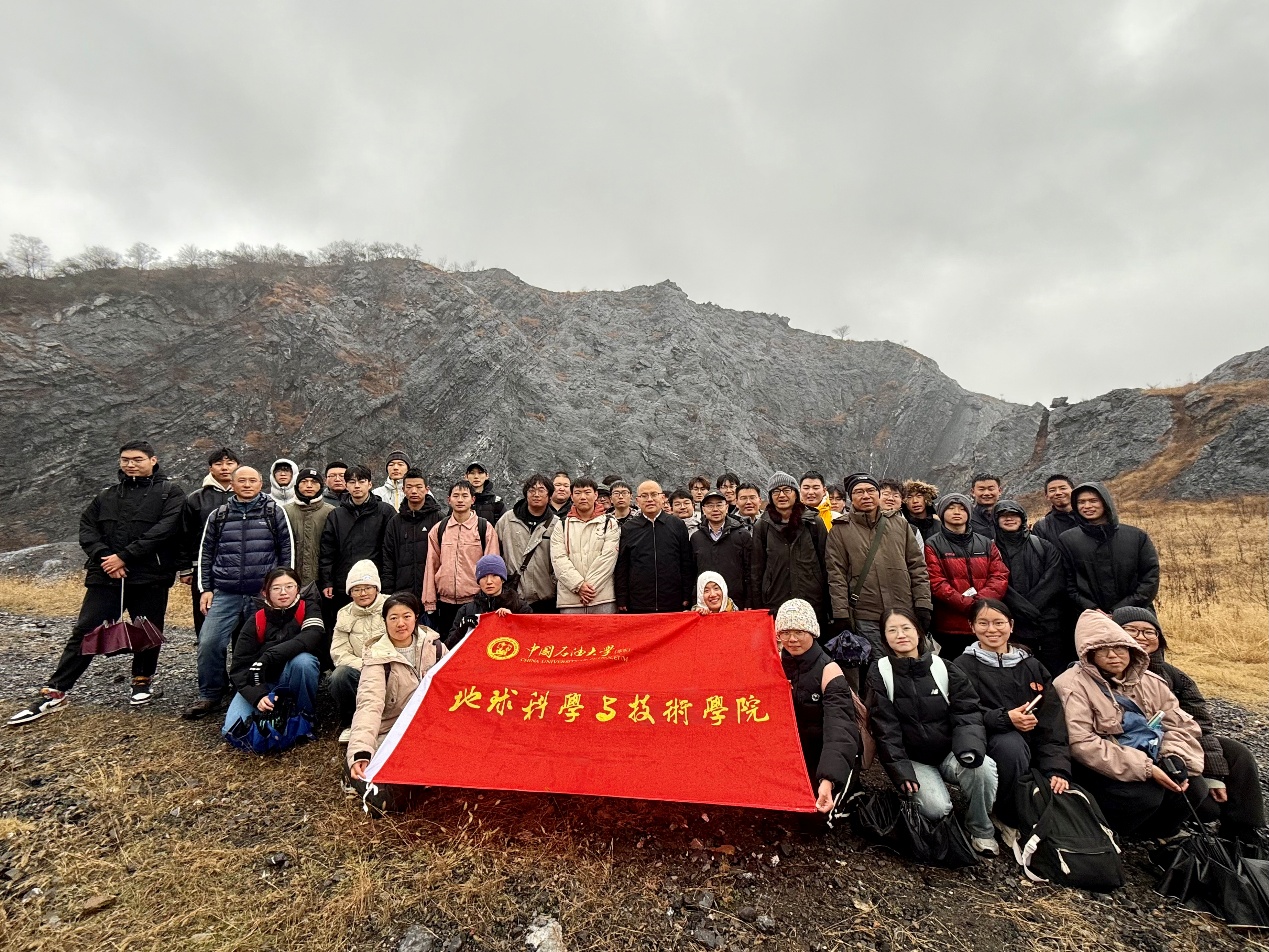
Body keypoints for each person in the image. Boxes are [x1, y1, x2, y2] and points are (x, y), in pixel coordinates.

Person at [7, 441, 185, 726]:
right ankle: (56, 690)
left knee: (147, 629)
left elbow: (165, 530)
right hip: (106, 575)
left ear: (153, 460)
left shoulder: (169, 493)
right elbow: (87, 529)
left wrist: (125, 557)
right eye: (125, 459)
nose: (130, 464)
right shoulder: (107, 495)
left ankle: (142, 680)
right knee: (86, 630)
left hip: (150, 574)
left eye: (137, 459)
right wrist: (106, 558)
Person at [1114, 607, 1266, 844]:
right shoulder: (1105, 670)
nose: (1141, 637)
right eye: (1131, 630)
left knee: (1237, 753)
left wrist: (1214, 775)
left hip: (1179, 741)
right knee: (1206, 806)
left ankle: (1246, 833)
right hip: (1138, 750)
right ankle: (1159, 831)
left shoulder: (1175, 677)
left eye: (1149, 632)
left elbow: (1200, 725)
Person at [1052, 611, 1203, 839]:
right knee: (1142, 795)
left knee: (1194, 788)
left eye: (1120, 649)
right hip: (1099, 764)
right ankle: (1110, 834)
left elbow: (1181, 725)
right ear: (1089, 653)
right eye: (1103, 650)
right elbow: (1081, 742)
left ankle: (1154, 835)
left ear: (1132, 650)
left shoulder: (1152, 681)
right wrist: (1147, 768)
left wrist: (1174, 757)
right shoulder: (1070, 685)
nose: (1113, 656)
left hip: (1154, 751)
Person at [865, 607, 1000, 855]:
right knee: (937, 808)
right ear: (884, 638)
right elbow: (884, 728)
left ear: (918, 632)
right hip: (913, 760)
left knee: (983, 769)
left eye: (906, 628)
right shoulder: (880, 672)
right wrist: (901, 771)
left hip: (949, 753)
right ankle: (940, 812)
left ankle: (981, 829)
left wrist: (968, 749)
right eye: (892, 630)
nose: (900, 635)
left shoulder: (943, 668)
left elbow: (967, 712)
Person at [952, 599, 1071, 832]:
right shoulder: (962, 665)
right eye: (983, 623)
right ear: (971, 626)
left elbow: (1052, 722)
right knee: (1011, 746)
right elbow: (963, 712)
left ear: (1011, 625)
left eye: (999, 623)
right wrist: (1006, 719)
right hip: (988, 740)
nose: (992, 630)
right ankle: (1006, 815)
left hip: (1033, 744)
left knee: (1058, 782)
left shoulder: (1032, 666)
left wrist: (1056, 769)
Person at [186, 465, 294, 720]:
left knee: (256, 645)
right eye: (242, 480)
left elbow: (287, 551)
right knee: (210, 642)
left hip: (261, 594)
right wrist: (205, 589)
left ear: (261, 484)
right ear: (232, 484)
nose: (247, 485)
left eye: (252, 480)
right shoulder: (219, 515)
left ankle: (250, 689)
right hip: (226, 592)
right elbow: (206, 553)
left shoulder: (273, 512)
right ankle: (211, 693)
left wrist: (281, 588)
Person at [345, 593, 445, 811]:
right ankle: (354, 771)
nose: (401, 623)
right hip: (392, 731)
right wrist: (361, 750)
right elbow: (369, 705)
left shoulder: (435, 646)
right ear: (384, 621)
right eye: (393, 618)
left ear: (416, 617)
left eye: (406, 616)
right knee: (392, 801)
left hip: (428, 727)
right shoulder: (377, 658)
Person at [826, 475, 932, 656]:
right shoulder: (840, 530)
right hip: (866, 614)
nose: (866, 496)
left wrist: (923, 603)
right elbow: (836, 575)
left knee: (911, 660)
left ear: (878, 494)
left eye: (871, 490)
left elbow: (917, 567)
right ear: (851, 497)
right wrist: (841, 613)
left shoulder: (899, 524)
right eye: (859, 492)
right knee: (878, 665)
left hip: (903, 609)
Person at [776, 599, 862, 813]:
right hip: (787, 755)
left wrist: (828, 779)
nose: (792, 639)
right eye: (785, 632)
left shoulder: (829, 670)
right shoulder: (773, 664)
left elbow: (840, 729)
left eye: (799, 632)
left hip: (821, 755)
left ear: (813, 632)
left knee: (816, 816)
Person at [221, 567, 324, 743]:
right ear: (265, 592)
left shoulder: (309, 608)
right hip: (262, 681)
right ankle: (275, 709)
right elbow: (239, 668)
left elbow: (311, 637)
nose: (283, 592)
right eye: (276, 588)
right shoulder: (256, 619)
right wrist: (258, 696)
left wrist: (268, 656)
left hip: (292, 676)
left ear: (298, 588)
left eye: (289, 586)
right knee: (232, 730)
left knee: (304, 661)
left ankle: (305, 716)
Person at [925, 493, 1009, 657]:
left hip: (986, 622)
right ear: (941, 513)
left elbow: (999, 575)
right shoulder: (932, 544)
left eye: (962, 509)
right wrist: (966, 603)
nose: (957, 512)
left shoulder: (985, 543)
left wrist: (981, 602)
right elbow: (936, 581)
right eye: (951, 508)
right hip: (950, 625)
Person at [1060, 481, 1160, 614]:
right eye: (1081, 502)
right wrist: (1092, 608)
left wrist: (1120, 609)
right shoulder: (1068, 540)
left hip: (1135, 614)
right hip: (1090, 616)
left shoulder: (1136, 536)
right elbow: (1068, 583)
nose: (1087, 506)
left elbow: (1150, 578)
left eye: (1093, 501)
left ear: (1105, 502)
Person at [992, 500, 1068, 674]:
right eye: (1004, 516)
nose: (1009, 519)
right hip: (1013, 625)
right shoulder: (991, 549)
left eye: (1014, 515)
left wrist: (1032, 607)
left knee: (1053, 672)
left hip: (1048, 624)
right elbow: (995, 581)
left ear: (1022, 518)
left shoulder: (1043, 546)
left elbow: (1054, 578)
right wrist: (1020, 608)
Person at [318, 465, 396, 626]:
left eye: (361, 481)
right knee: (346, 626)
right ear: (346, 485)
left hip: (376, 581)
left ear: (370, 484)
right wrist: (327, 581)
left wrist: (388, 581)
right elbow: (327, 551)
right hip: (344, 583)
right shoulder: (336, 515)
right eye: (352, 482)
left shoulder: (385, 512)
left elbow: (391, 550)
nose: (357, 486)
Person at [423, 480, 501, 636]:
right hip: (445, 603)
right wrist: (430, 602)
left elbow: (492, 568)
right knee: (448, 645)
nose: (460, 500)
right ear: (449, 500)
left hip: (475, 602)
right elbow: (431, 566)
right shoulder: (439, 529)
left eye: (465, 496)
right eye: (456, 496)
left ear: (473, 500)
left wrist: (490, 600)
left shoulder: (484, 528)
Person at [177, 447, 238, 639]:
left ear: (238, 466)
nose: (224, 468)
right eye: (219, 464)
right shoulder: (196, 498)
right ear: (211, 468)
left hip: (241, 565)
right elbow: (184, 533)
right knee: (205, 613)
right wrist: (185, 568)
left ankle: (240, 657)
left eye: (229, 463)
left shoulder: (248, 495)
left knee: (242, 618)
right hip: (204, 566)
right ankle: (208, 652)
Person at [751, 472, 828, 622]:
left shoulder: (813, 522)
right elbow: (757, 569)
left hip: (811, 600)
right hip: (775, 600)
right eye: (776, 491)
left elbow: (826, 564)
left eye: (787, 490)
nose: (782, 495)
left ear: (796, 494)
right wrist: (758, 606)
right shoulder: (762, 526)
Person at [328, 560, 388, 742]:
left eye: (368, 588)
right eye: (356, 589)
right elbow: (338, 651)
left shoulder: (391, 605)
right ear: (350, 592)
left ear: (376, 588)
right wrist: (364, 666)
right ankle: (352, 723)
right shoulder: (344, 613)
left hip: (389, 667)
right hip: (359, 668)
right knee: (339, 676)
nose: (363, 593)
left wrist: (379, 665)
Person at [615, 480, 695, 613]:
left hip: (673, 599)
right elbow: (623, 565)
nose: (650, 499)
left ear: (662, 498)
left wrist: (687, 594)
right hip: (639, 601)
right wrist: (622, 597)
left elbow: (686, 562)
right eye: (644, 496)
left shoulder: (677, 525)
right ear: (637, 501)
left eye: (654, 494)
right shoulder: (629, 528)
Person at [550, 477, 621, 614]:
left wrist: (589, 589)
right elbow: (558, 559)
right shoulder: (562, 525)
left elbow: (608, 558)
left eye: (587, 492)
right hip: (571, 599)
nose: (583, 497)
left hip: (602, 598)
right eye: (578, 493)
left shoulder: (609, 523)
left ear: (595, 495)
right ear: (571, 496)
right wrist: (578, 585)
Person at [495, 474, 559, 613]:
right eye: (531, 490)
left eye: (541, 490)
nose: (536, 494)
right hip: (513, 596)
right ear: (525, 494)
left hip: (545, 597)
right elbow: (495, 553)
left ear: (549, 495)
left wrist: (553, 582)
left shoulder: (556, 524)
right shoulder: (507, 520)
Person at [445, 554, 533, 647]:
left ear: (503, 579)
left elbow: (533, 640)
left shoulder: (521, 607)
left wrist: (513, 621)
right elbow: (448, 647)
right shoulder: (466, 610)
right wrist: (462, 629)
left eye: (494, 575)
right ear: (478, 581)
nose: (489, 581)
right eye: (483, 576)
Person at [380, 469, 444, 596]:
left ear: (427, 489)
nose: (414, 491)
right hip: (402, 592)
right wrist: (387, 593)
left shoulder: (439, 519)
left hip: (433, 590)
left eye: (419, 487)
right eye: (409, 487)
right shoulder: (395, 523)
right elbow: (388, 560)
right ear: (403, 489)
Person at [690, 489, 752, 608]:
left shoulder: (742, 535)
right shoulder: (696, 538)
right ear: (703, 510)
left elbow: (749, 571)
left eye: (719, 505)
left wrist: (749, 600)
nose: (715, 509)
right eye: (710, 506)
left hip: (736, 601)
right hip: (706, 604)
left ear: (726, 507)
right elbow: (691, 573)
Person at [284, 468, 333, 589]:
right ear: (297, 485)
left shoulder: (332, 512)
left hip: (322, 581)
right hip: (291, 578)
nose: (309, 485)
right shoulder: (284, 511)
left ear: (321, 486)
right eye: (304, 481)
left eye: (314, 482)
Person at [1031, 474, 1080, 548]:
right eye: (1052, 490)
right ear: (1047, 496)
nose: (1058, 493)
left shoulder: (1089, 515)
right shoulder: (1041, 527)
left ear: (1073, 491)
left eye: (1063, 488)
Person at [969, 473, 1002, 539]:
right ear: (973, 492)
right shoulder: (967, 518)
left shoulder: (1010, 516)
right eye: (981, 489)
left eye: (991, 489)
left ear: (999, 491)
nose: (986, 493)